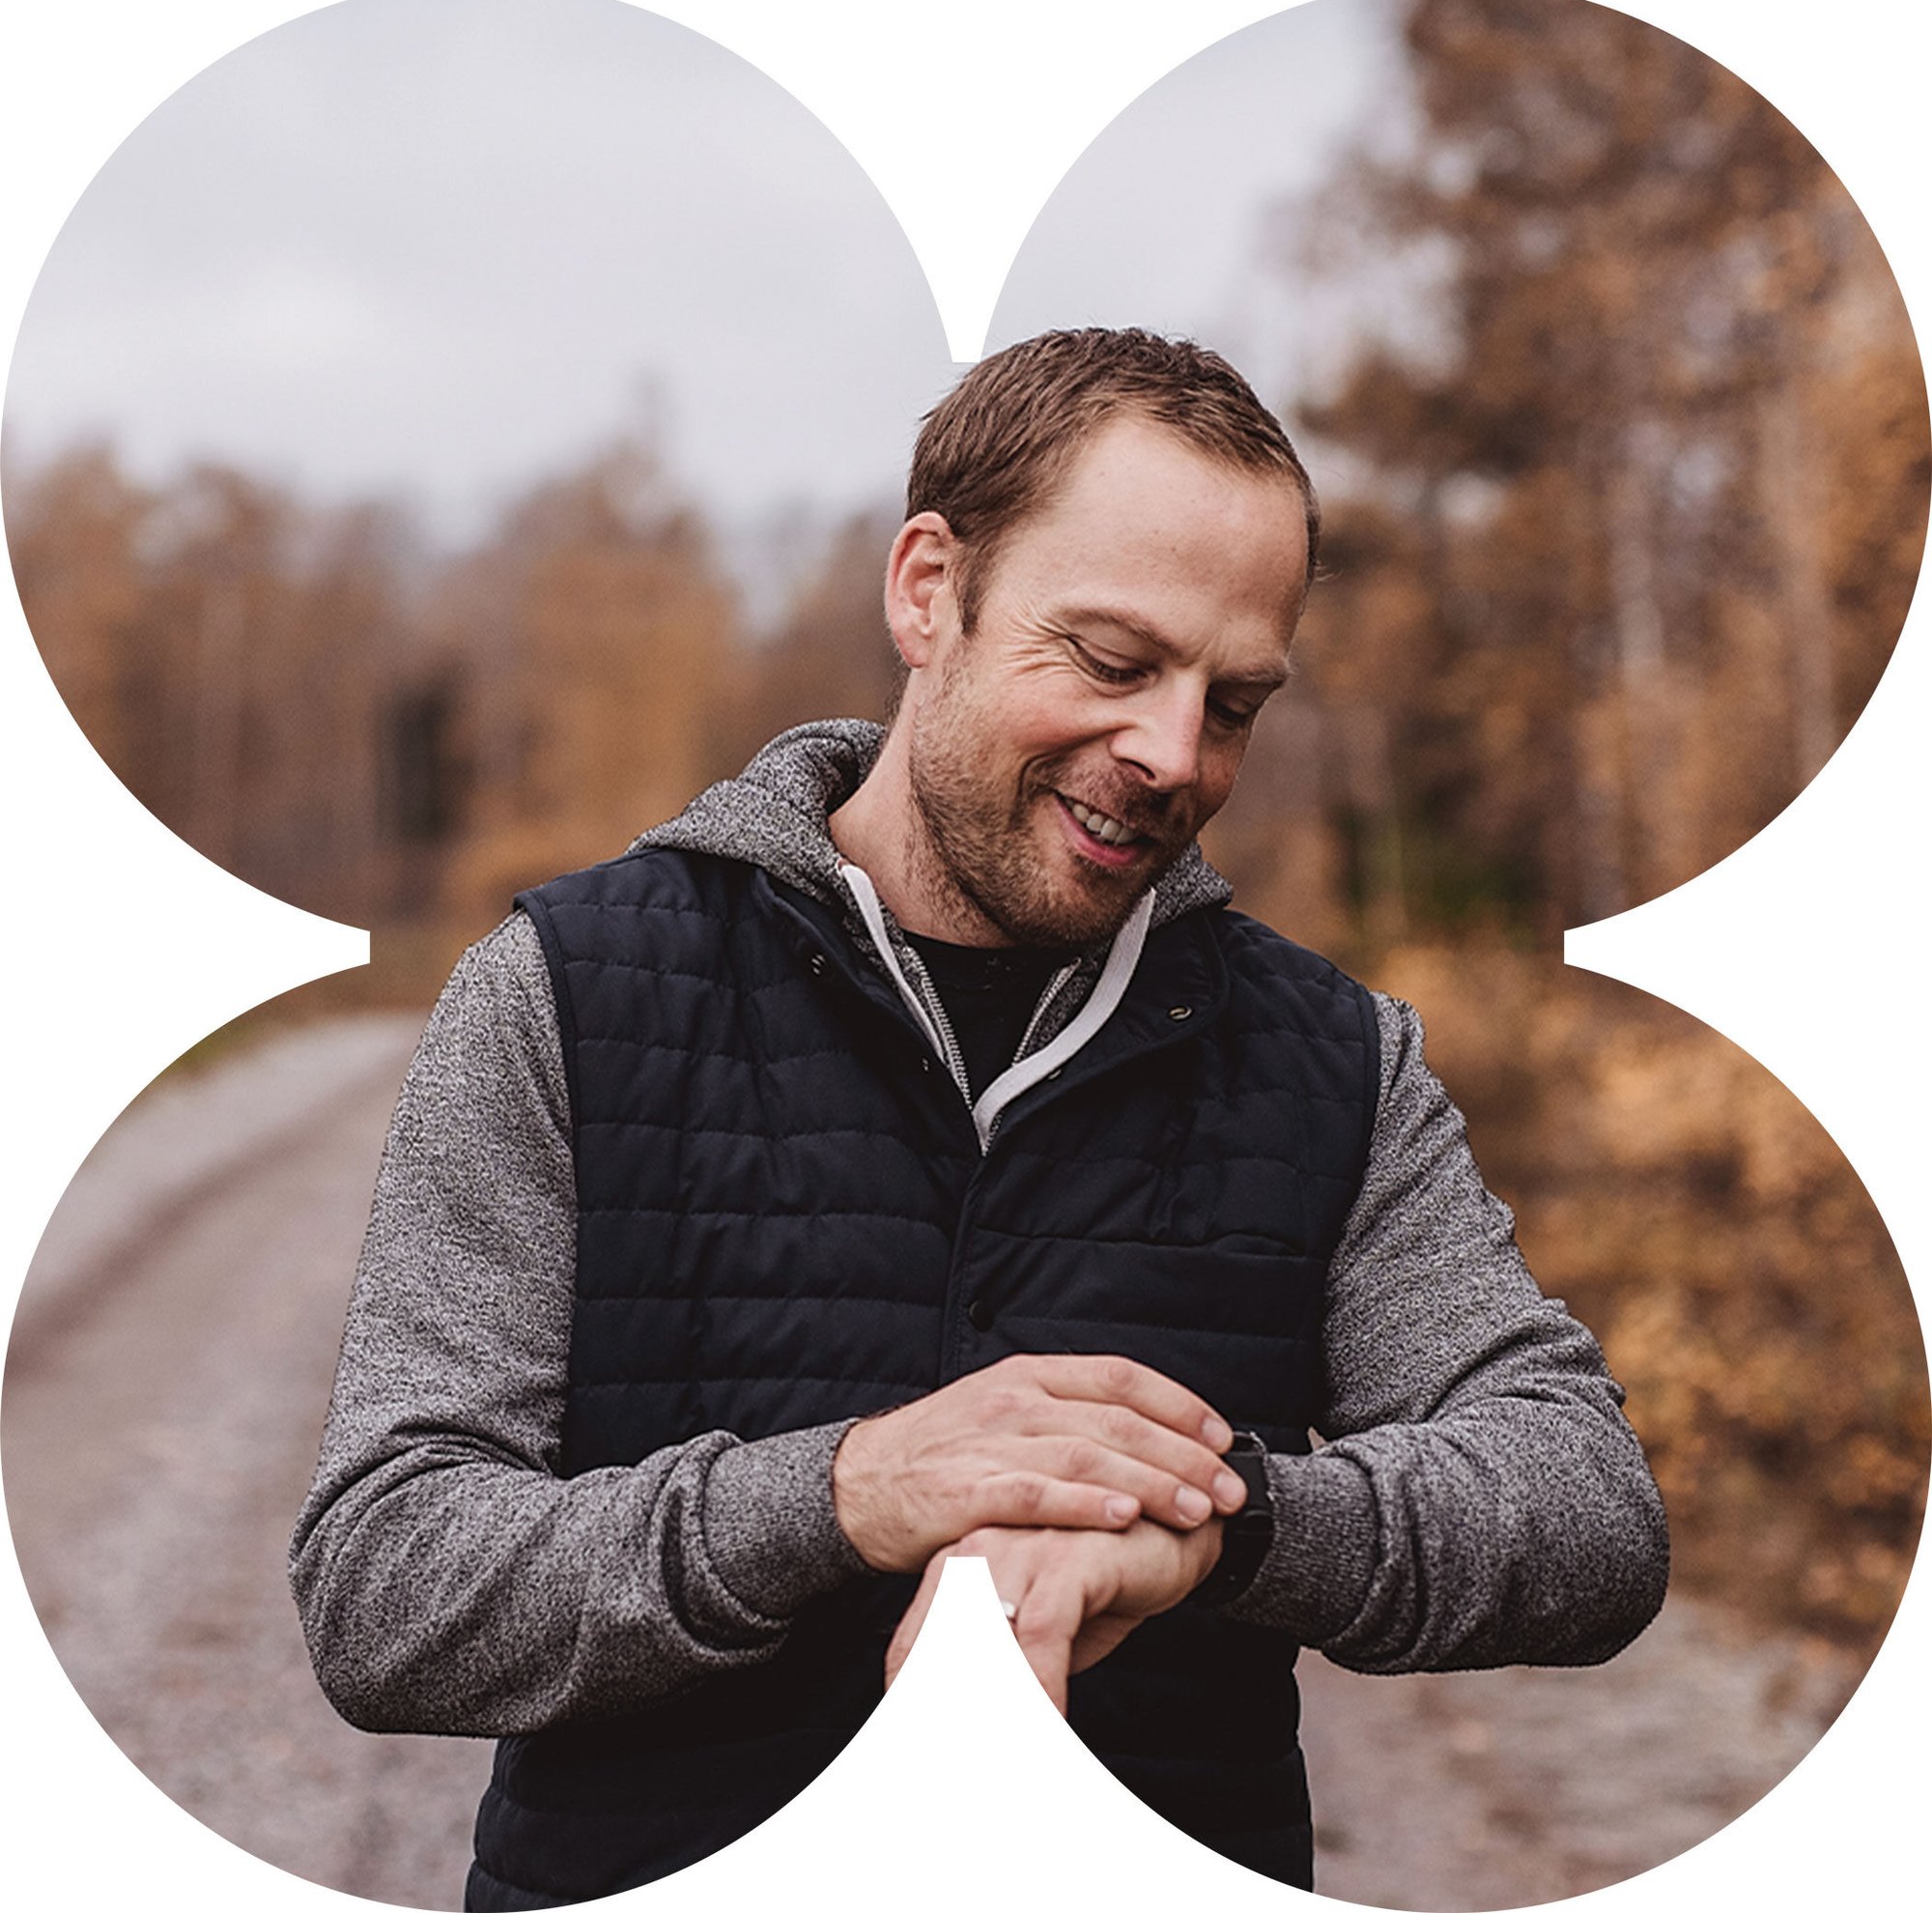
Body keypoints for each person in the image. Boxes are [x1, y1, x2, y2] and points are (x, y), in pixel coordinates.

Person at [291, 328, 1668, 1909]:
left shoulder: (1335, 1060)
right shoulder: (564, 993)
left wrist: (1221, 1528)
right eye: (1111, 661)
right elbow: (385, 1588)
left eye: (1234, 701)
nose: (1174, 756)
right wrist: (840, 1496)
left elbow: (1588, 1512)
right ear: (928, 589)